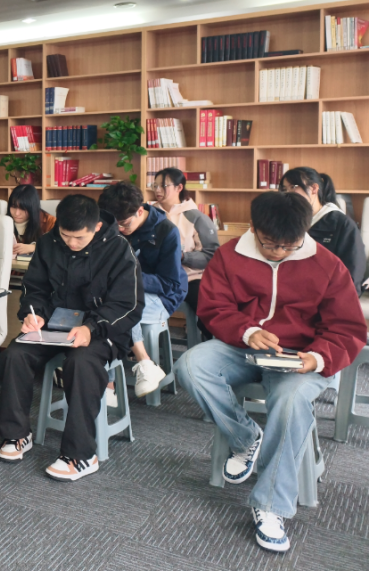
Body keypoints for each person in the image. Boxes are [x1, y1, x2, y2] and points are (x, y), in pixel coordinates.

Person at [175, 191, 366, 553]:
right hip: (243, 345)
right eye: (270, 244)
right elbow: (213, 307)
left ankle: (270, 505)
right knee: (190, 365)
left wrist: (317, 358)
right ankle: (247, 437)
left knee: (291, 400)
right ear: (253, 228)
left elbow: (347, 329)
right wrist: (247, 331)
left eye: (289, 246)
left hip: (302, 356)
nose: (279, 252)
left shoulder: (327, 265)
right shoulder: (230, 256)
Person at [0, 195, 143, 481]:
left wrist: (91, 328)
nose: (71, 243)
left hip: (101, 329)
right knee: (15, 354)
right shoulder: (48, 243)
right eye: (65, 235)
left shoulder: (118, 249)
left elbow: (128, 305)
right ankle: (17, 434)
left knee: (81, 363)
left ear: (96, 227)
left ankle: (81, 455)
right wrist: (33, 314)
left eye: (79, 238)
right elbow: (34, 288)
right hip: (54, 324)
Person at [98, 181, 186, 400]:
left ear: (140, 210)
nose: (119, 229)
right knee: (103, 307)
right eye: (115, 224)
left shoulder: (167, 231)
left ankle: (109, 385)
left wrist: (128, 278)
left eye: (124, 224)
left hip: (162, 297)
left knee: (118, 307)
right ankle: (141, 366)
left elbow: (170, 283)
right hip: (120, 293)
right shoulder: (111, 226)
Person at [150, 168, 219, 339]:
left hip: (189, 278)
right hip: (155, 276)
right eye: (155, 185)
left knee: (207, 306)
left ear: (179, 188)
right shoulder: (148, 213)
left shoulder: (196, 217)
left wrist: (183, 257)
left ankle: (213, 343)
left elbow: (211, 255)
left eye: (163, 186)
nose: (157, 190)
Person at [280, 166, 365, 291]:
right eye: (284, 189)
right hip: (290, 292)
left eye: (293, 187)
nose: (288, 194)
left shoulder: (342, 224)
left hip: (325, 295)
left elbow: (352, 275)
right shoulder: (286, 220)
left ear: (314, 188)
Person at [8, 184, 56, 256]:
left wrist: (34, 247)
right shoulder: (4, 222)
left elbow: (58, 246)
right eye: (14, 207)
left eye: (22, 208)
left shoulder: (50, 222)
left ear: (32, 208)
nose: (17, 213)